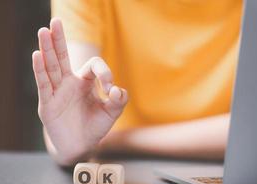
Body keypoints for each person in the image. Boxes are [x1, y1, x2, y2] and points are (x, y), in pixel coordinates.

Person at [32, 0, 243, 166]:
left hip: (226, 172)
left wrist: (111, 141)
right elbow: (73, 125)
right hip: (119, 170)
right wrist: (74, 143)